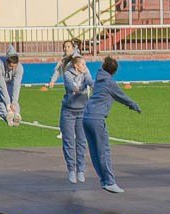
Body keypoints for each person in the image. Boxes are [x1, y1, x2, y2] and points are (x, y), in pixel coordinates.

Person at [82, 57, 142, 193]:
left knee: (95, 152)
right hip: (97, 119)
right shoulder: (110, 83)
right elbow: (122, 96)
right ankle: (109, 181)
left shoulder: (99, 79)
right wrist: (134, 105)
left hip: (86, 118)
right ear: (114, 71)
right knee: (104, 151)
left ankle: (104, 180)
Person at [60, 51, 93, 184]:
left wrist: (95, 86)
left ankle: (80, 169)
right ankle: (71, 169)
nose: (85, 66)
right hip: (68, 111)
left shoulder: (85, 73)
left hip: (82, 111)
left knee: (81, 141)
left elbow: (90, 81)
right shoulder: (68, 74)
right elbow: (71, 86)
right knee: (68, 141)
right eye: (83, 64)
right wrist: (78, 88)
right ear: (76, 66)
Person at [0, 46, 24, 126]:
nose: (13, 69)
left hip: (10, 81)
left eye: (15, 66)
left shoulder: (19, 68)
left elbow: (16, 86)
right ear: (7, 62)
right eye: (11, 66)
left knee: (13, 99)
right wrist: (8, 104)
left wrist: (13, 102)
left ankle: (16, 114)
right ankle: (6, 115)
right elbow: (2, 87)